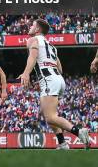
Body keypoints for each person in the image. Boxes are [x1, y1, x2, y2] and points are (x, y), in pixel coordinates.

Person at [19, 18, 90, 150]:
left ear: (37, 29)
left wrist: (26, 73)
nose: (30, 27)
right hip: (58, 79)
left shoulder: (32, 40)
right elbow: (60, 68)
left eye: (32, 25)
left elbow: (33, 56)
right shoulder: (51, 46)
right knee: (48, 113)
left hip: (49, 80)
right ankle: (62, 143)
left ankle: (79, 132)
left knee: (50, 117)